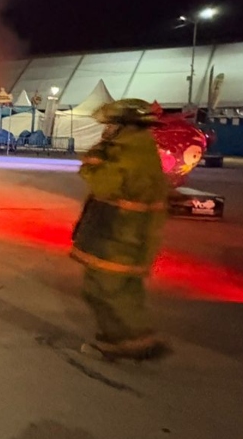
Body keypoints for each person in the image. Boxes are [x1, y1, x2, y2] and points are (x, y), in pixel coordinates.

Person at [71, 98, 170, 360]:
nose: (106, 130)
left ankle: (130, 342)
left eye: (110, 124)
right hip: (121, 236)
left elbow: (103, 184)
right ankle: (126, 339)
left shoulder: (128, 154)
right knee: (119, 292)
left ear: (125, 125)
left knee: (106, 292)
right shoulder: (136, 149)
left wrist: (94, 158)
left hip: (120, 238)